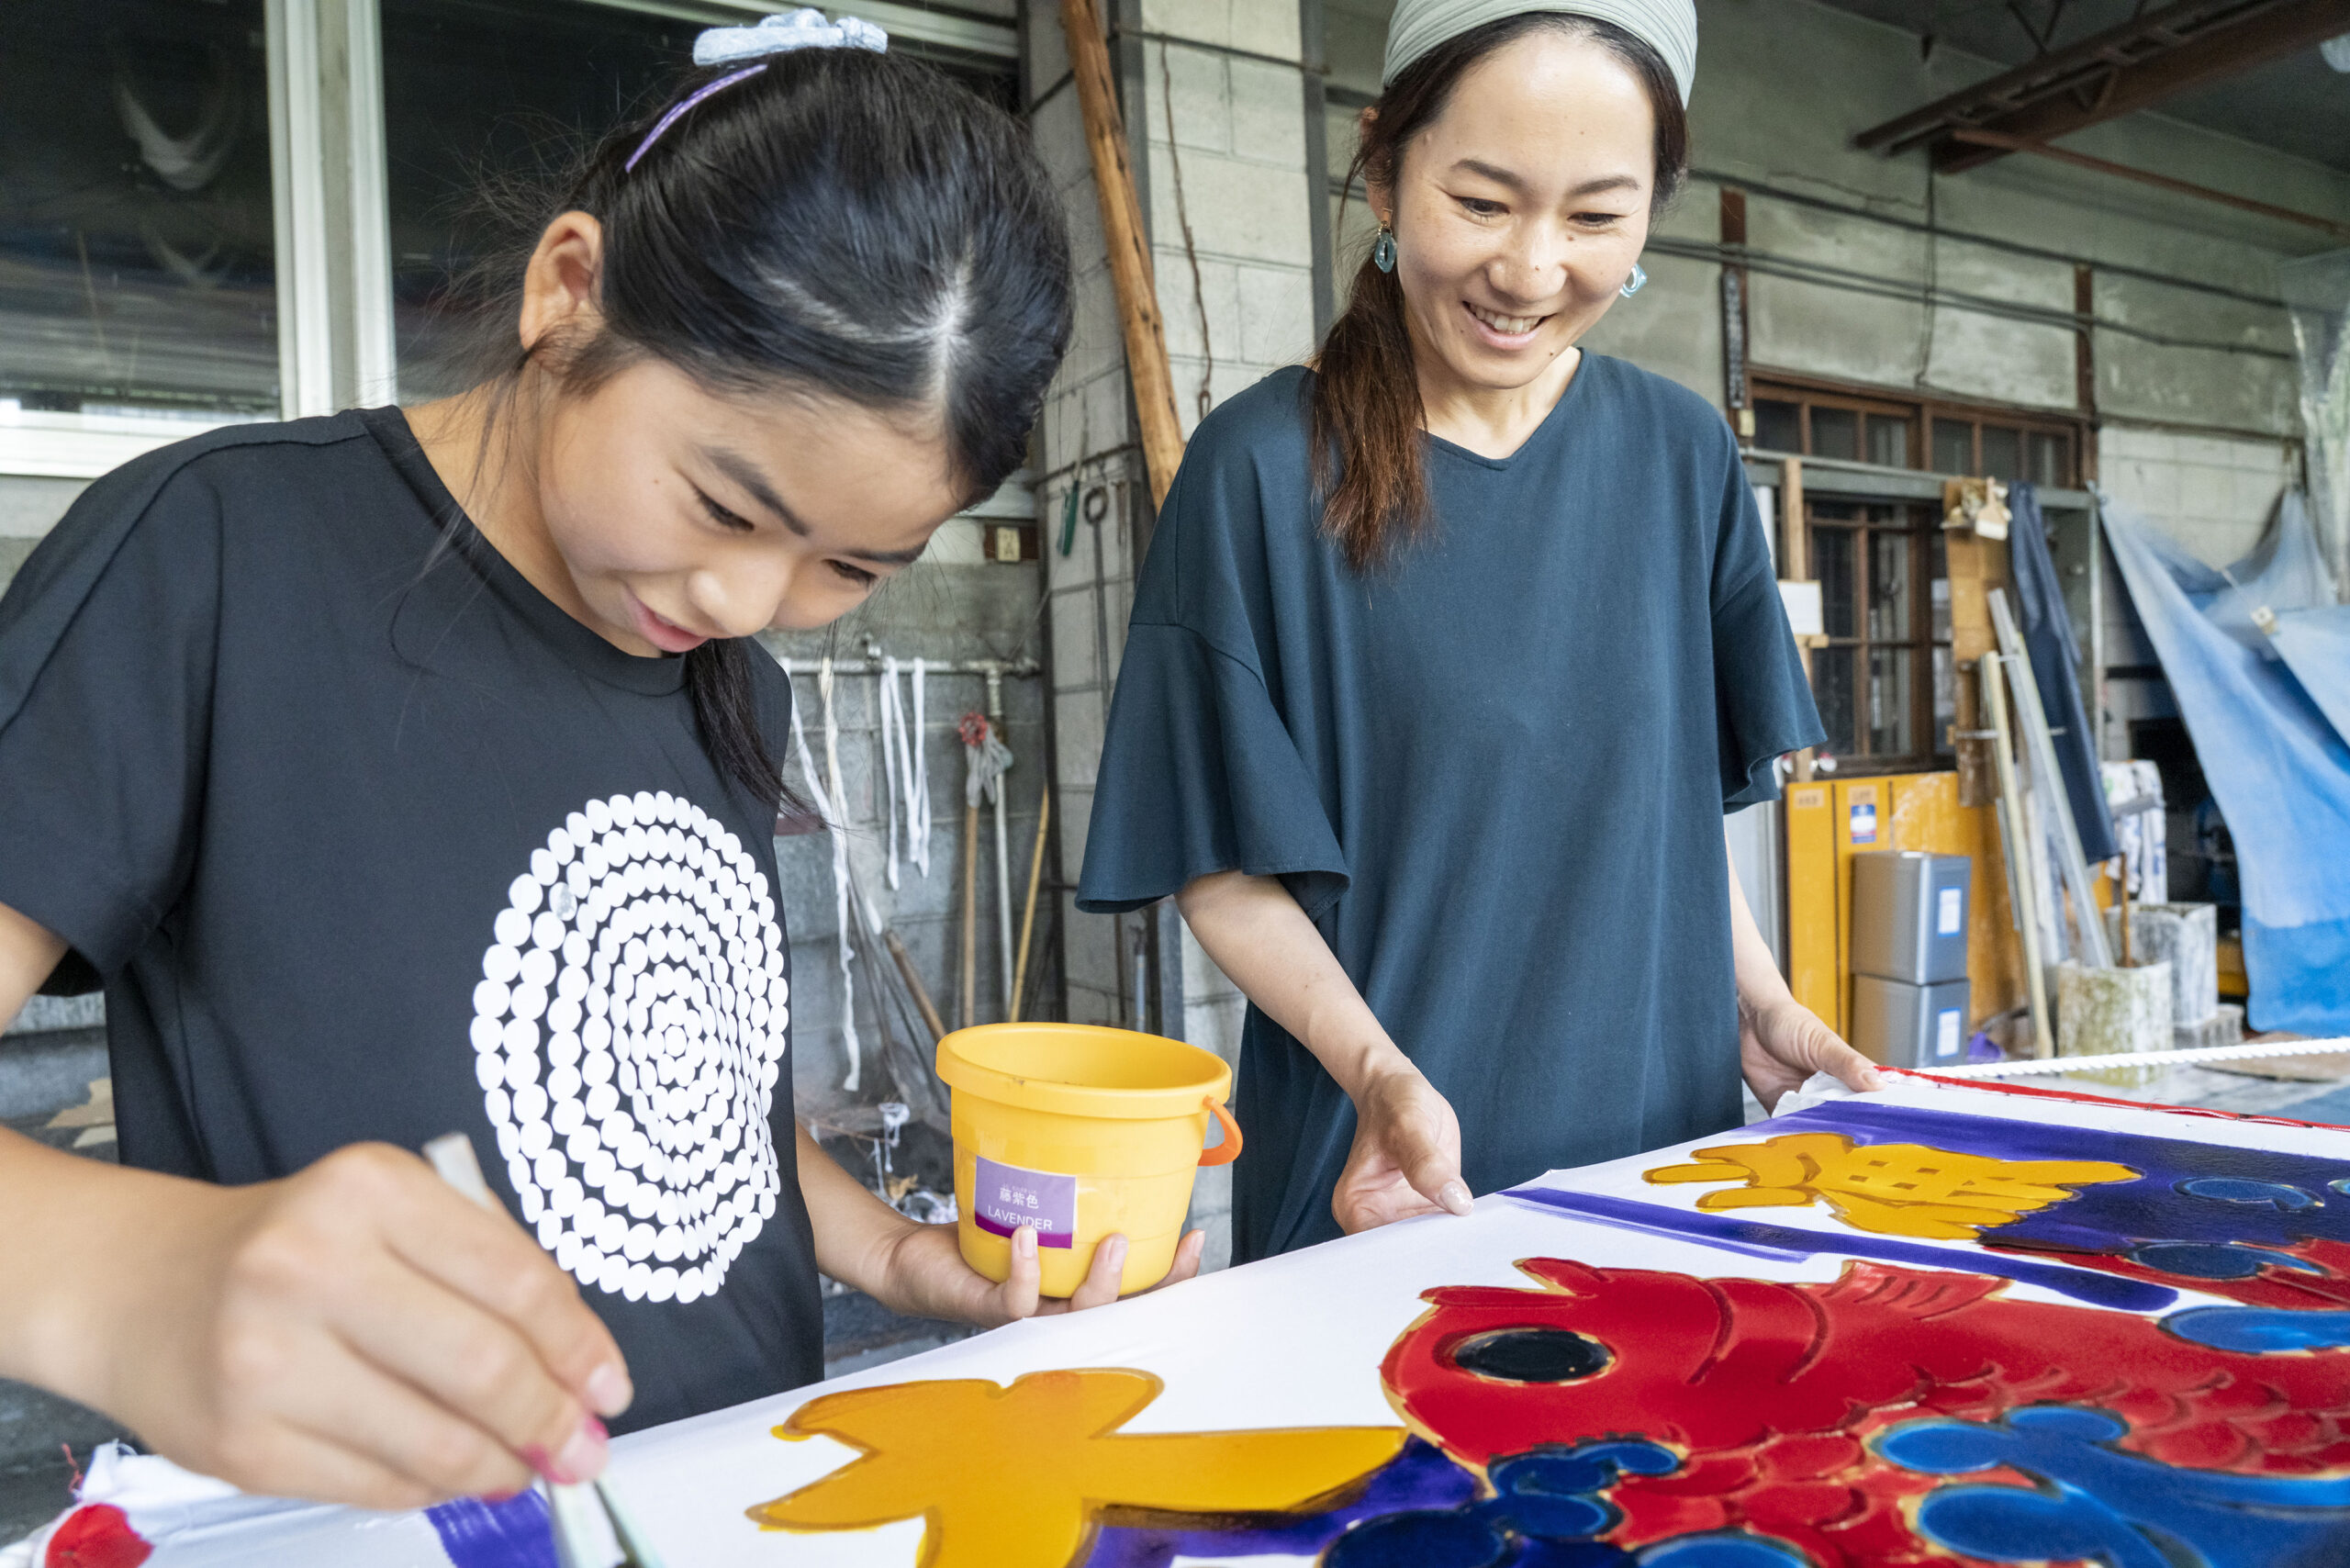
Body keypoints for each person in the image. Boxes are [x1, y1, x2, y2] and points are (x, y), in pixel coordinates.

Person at [0, 12, 1197, 1516]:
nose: (747, 606)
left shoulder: (727, 682)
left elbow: (705, 1114)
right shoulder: (219, 559)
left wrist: (892, 1254)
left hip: (740, 1499)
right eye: (721, 502)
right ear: (569, 290)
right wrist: (135, 1284)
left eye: (851, 567)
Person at [1076, 0, 1880, 1267]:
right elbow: (1222, 867)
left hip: (1660, 1181)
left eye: (1596, 217)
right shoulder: (1260, 468)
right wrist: (1378, 1071)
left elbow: (1662, 809)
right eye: (1485, 202)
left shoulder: (1685, 460)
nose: (1531, 269)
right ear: (1385, 170)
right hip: (1386, 1188)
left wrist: (1758, 1003)